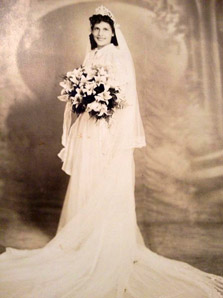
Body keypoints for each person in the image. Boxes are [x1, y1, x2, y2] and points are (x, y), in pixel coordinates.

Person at [0, 6, 222, 298]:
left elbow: (125, 100)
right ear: (92, 32)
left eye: (106, 29)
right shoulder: (91, 55)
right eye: (97, 29)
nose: (101, 34)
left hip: (109, 132)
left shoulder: (117, 56)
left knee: (109, 186)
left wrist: (108, 120)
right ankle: (85, 242)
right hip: (90, 129)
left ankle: (108, 247)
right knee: (89, 183)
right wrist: (83, 97)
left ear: (113, 32)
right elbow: (85, 91)